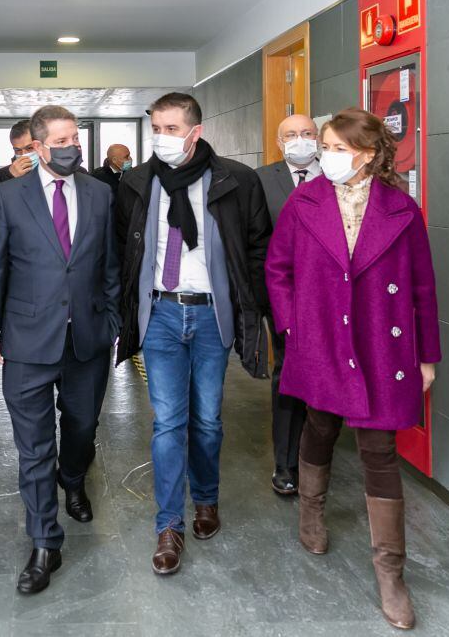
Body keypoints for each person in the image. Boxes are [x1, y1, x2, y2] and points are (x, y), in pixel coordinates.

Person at [265, 107, 440, 630]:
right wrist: (295, 327)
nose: (326, 156)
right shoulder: (304, 201)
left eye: (337, 148)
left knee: (379, 448)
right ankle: (311, 510)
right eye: (324, 147)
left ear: (366, 154)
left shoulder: (401, 210)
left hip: (381, 346)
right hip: (321, 338)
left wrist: (427, 356)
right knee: (319, 426)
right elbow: (278, 269)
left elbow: (423, 289)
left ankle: (391, 573)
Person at [115, 92, 271, 575]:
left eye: (171, 129)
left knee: (207, 420)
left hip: (210, 316)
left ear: (195, 132)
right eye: (155, 128)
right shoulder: (137, 183)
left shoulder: (236, 181)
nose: (161, 138)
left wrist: (259, 311)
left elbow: (258, 247)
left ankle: (206, 499)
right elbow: (124, 249)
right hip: (160, 312)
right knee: (167, 423)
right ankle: (169, 525)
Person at [0, 105, 120, 594]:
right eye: (60, 141)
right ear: (37, 147)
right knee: (34, 447)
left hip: (87, 339)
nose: (71, 147)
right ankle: (44, 542)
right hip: (27, 339)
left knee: (81, 427)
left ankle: (74, 478)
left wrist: (113, 320)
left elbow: (110, 264)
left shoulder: (100, 193)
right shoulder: (7, 196)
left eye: (75, 138)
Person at [255, 113, 323, 496]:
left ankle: (319, 452)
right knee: (289, 371)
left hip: (332, 297)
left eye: (307, 133)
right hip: (284, 295)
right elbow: (258, 240)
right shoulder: (263, 180)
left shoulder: (335, 174)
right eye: (291, 135)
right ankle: (286, 462)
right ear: (280, 142)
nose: (301, 140)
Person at [0, 119, 36, 192]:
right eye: (18, 150)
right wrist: (9, 177)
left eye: (30, 148)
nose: (24, 154)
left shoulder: (54, 171)